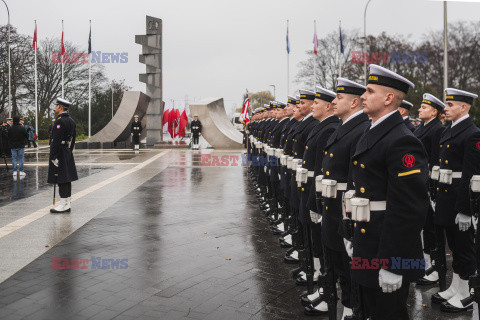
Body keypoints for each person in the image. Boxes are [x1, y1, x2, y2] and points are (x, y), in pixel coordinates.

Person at [351, 64, 428, 319]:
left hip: (386, 249)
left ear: (388, 98)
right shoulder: (373, 130)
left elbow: (407, 209)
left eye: (369, 91)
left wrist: (393, 263)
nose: (362, 96)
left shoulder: (402, 140)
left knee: (388, 313)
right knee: (367, 310)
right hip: (367, 241)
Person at [431, 88, 480, 312]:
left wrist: (466, 209)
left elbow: (472, 174)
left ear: (464, 107)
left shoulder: (472, 133)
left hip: (459, 200)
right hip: (447, 197)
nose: (446, 109)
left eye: (451, 105)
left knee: (464, 249)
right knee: (455, 246)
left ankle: (467, 293)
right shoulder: (450, 130)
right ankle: (456, 286)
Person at [413, 93, 446, 286]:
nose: (419, 109)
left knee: (431, 228)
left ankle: (434, 266)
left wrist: (432, 187)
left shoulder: (437, 130)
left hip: (428, 184)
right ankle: (426, 263)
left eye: (424, 108)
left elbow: (435, 160)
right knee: (423, 226)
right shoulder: (422, 128)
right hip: (419, 183)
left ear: (434, 111)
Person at [48, 97, 78, 214]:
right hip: (66, 150)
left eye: (56, 106)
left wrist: (53, 156)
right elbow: (73, 139)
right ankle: (67, 203)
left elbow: (56, 140)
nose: (55, 108)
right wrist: (69, 150)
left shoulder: (60, 121)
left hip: (60, 152)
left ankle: (63, 204)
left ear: (60, 107)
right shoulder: (71, 120)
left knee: (61, 178)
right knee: (67, 178)